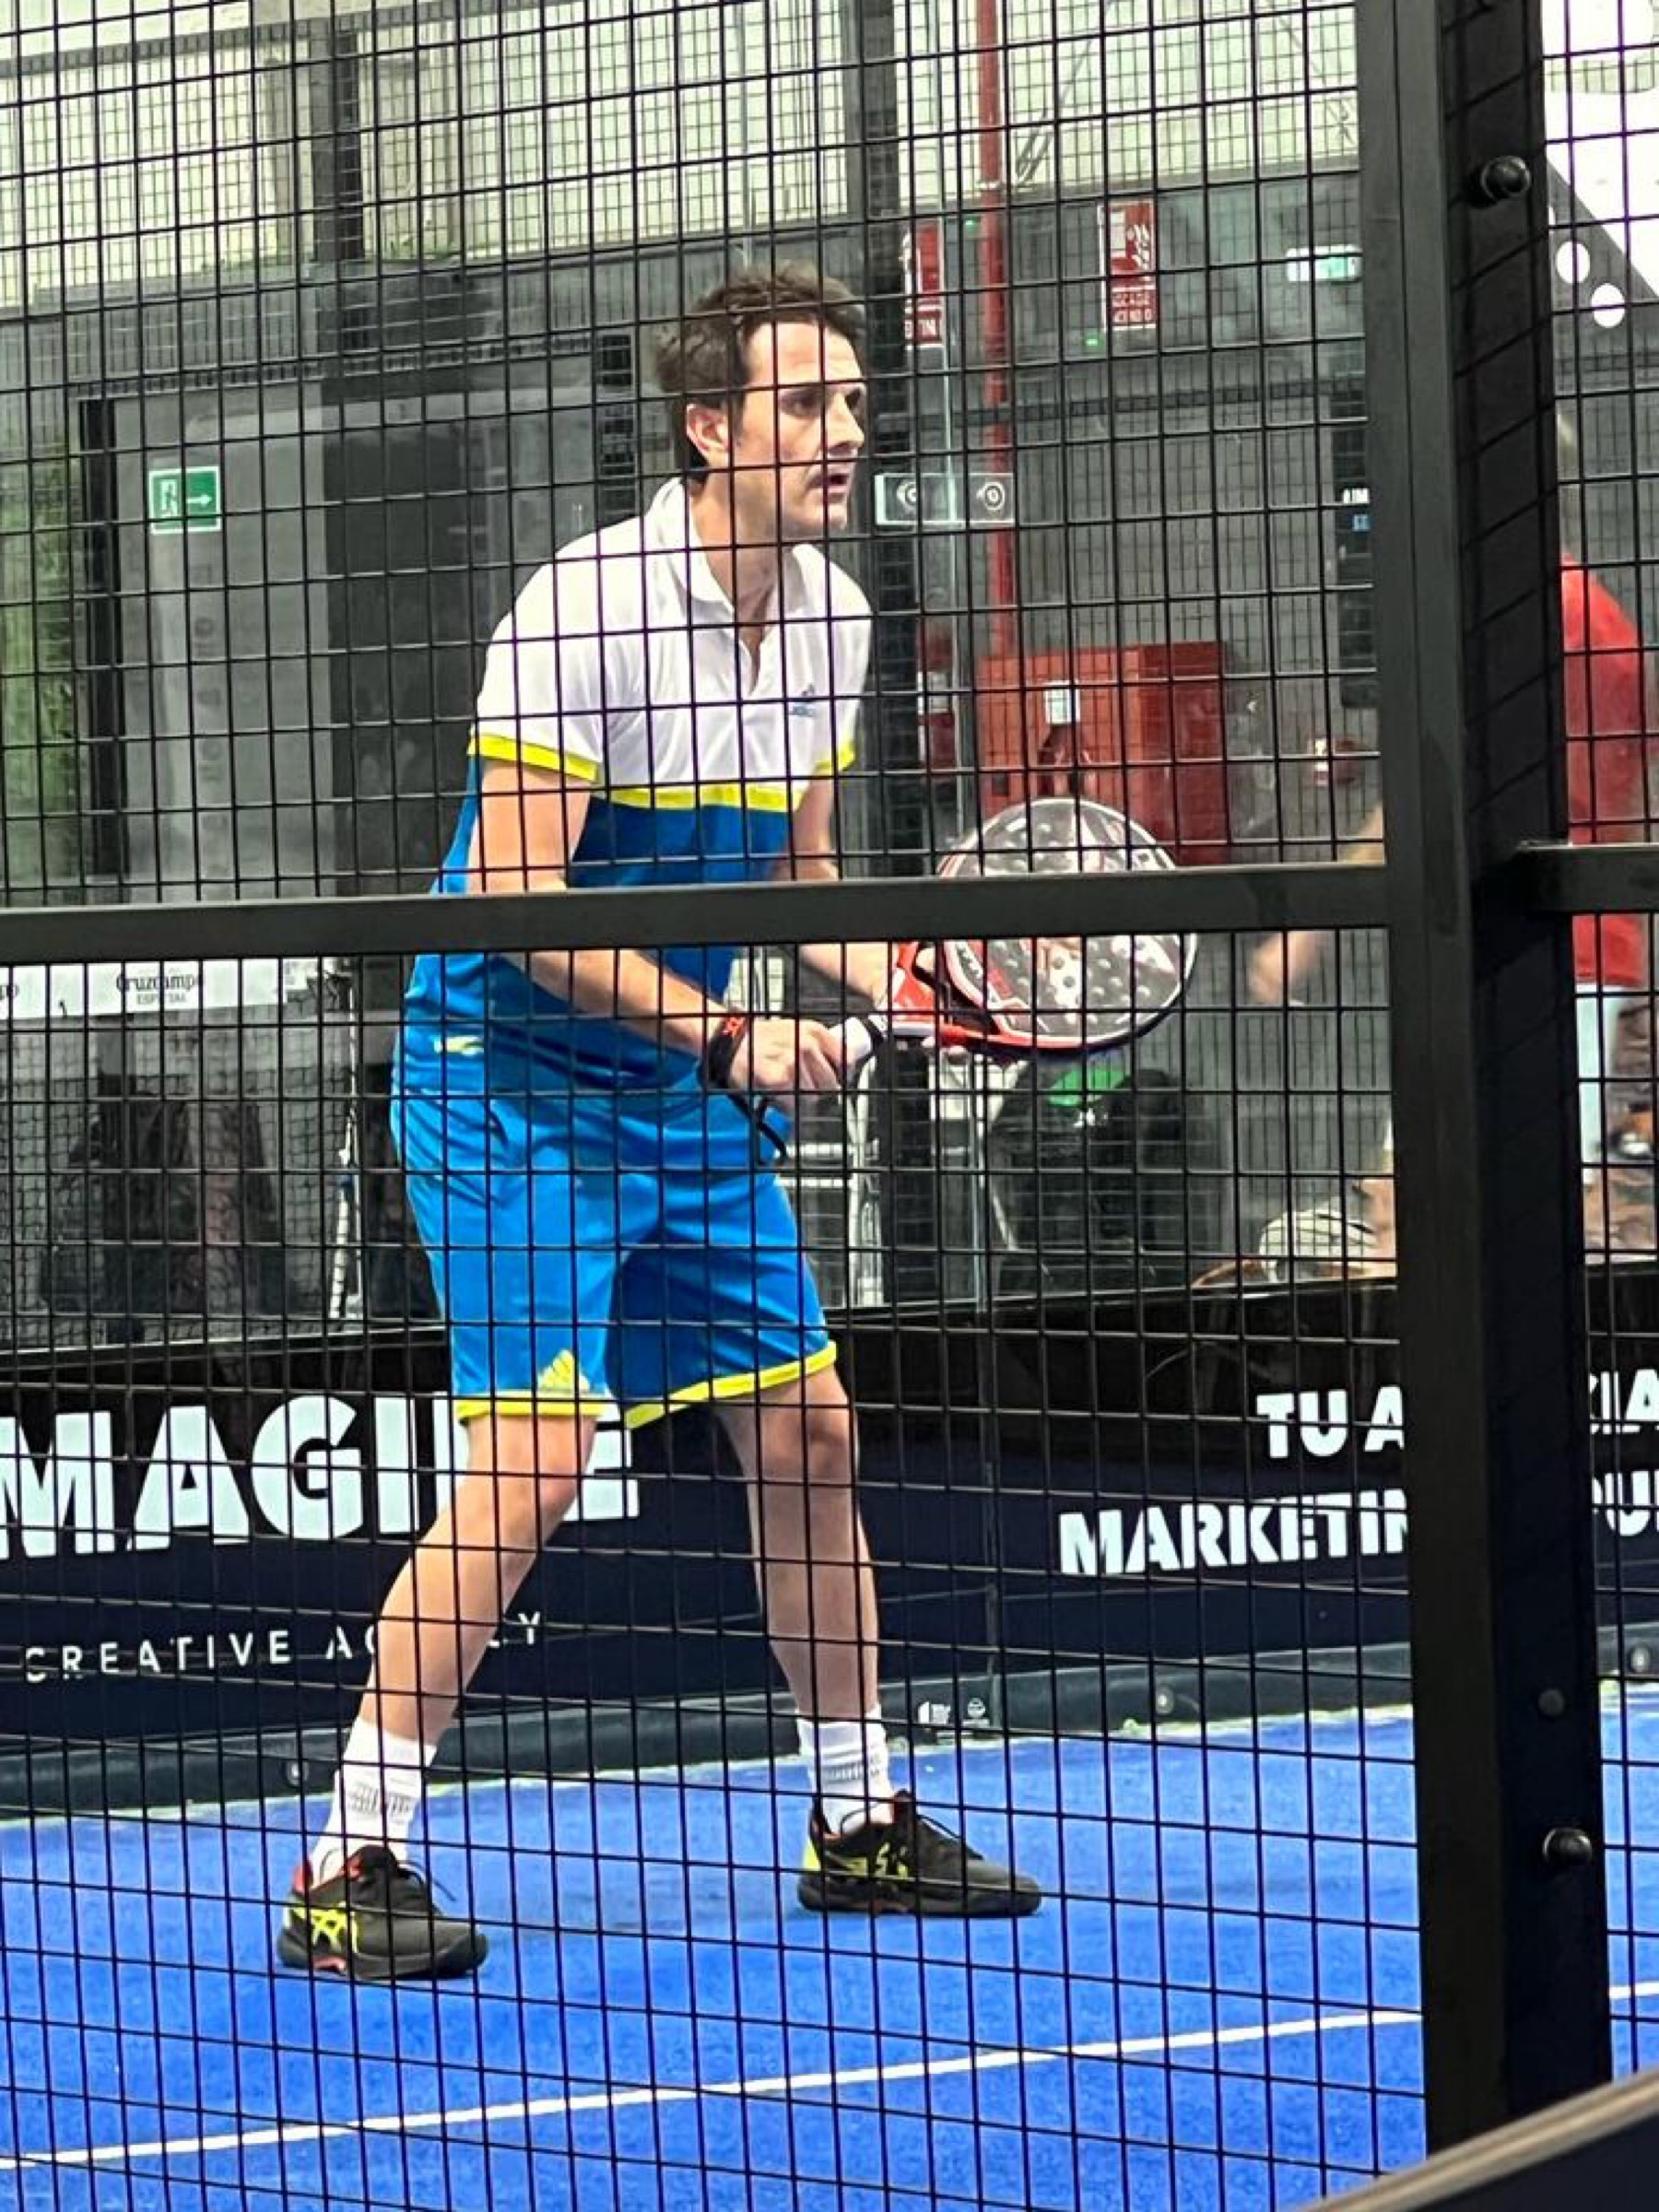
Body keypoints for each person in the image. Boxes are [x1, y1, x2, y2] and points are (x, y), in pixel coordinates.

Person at [276, 265, 1042, 1982]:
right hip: (508, 1088)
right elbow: (520, 904)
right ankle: (348, 1857)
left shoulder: (836, 616)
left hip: (681, 1095)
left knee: (811, 1436)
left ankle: (858, 1818)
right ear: (709, 426)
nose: (842, 435)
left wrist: (909, 984)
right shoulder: (583, 610)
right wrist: (734, 1037)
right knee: (538, 1462)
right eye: (804, 405)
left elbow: (802, 871)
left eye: (854, 404)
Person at [1252, 456, 1656, 1192]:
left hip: (1532, 961)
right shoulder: (1596, 618)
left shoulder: (1533, 618)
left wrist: (1308, 928)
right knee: (1524, 1201)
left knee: (1430, 1197)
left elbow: (1438, 785)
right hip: (1569, 955)